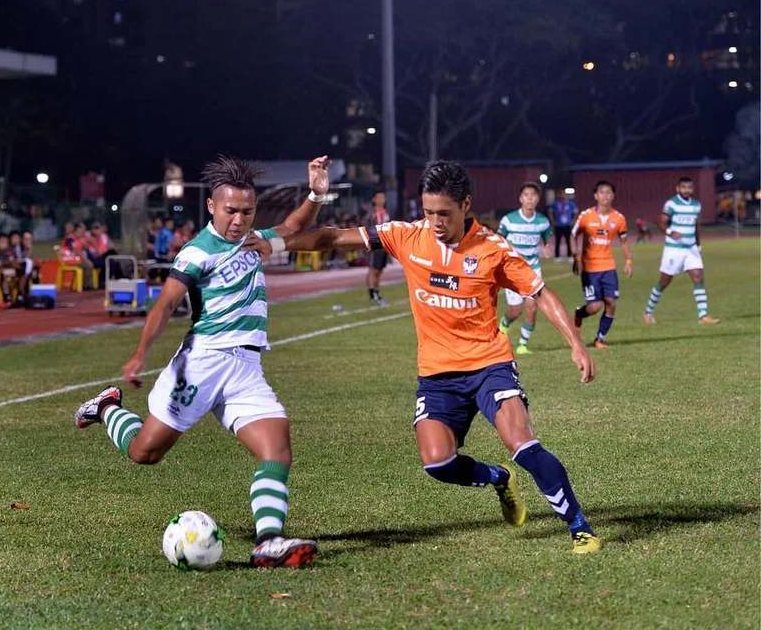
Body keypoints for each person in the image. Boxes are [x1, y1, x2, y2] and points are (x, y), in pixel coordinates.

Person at [246, 160, 601, 554]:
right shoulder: (406, 235)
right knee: (437, 462)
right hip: (437, 376)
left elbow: (540, 292)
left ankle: (579, 526)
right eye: (428, 211)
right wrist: (277, 244)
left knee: (521, 441)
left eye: (444, 214)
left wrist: (575, 342)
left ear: (466, 205)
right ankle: (499, 479)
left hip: (489, 365)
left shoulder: (492, 249)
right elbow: (331, 238)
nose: (434, 221)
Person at [71, 155, 334, 567]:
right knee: (145, 453)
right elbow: (166, 304)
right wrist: (141, 353)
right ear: (212, 206)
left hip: (246, 369)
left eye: (248, 211)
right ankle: (106, 407)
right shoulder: (197, 252)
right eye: (231, 210)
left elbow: (293, 227)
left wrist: (317, 193)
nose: (240, 219)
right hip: (201, 365)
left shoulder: (253, 240)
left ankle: (269, 541)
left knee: (277, 449)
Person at [644, 177, 721, 326]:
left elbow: (696, 226)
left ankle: (703, 316)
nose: (687, 190)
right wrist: (669, 231)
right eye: (683, 187)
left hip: (691, 249)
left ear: (692, 189)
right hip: (674, 250)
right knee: (664, 281)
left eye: (689, 187)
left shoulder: (696, 205)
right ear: (677, 188)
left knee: (698, 277)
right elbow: (661, 221)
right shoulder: (672, 203)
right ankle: (648, 311)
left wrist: (698, 246)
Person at [572, 180, 633, 348]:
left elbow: (624, 241)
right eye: (602, 192)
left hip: (608, 268)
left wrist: (628, 261)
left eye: (608, 192)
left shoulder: (619, 218)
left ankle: (600, 339)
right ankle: (579, 314)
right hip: (589, 269)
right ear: (595, 196)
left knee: (611, 302)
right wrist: (576, 257)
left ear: (613, 195)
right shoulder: (586, 216)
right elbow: (573, 235)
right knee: (594, 307)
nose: (605, 196)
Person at [497, 183, 553, 354]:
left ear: (537, 199)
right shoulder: (509, 220)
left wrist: (548, 245)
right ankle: (504, 324)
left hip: (533, 269)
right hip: (513, 270)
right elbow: (498, 240)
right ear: (520, 198)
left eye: (533, 195)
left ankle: (522, 345)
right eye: (526, 195)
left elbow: (547, 237)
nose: (530, 198)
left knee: (532, 307)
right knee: (515, 311)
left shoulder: (542, 221)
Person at [365, 190, 391, 306]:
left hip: (385, 242)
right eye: (378, 197)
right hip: (375, 241)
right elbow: (365, 226)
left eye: (382, 197)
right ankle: (372, 293)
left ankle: (376, 291)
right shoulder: (371, 213)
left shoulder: (386, 212)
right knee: (373, 268)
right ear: (374, 199)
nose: (381, 200)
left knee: (380, 269)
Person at [548, 195, 578, 262]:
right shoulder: (555, 204)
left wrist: (573, 221)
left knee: (569, 241)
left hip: (567, 225)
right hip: (558, 225)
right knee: (557, 241)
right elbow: (550, 212)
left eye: (564, 196)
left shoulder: (570, 204)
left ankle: (570, 256)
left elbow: (576, 212)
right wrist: (552, 221)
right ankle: (557, 257)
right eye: (561, 196)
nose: (563, 198)